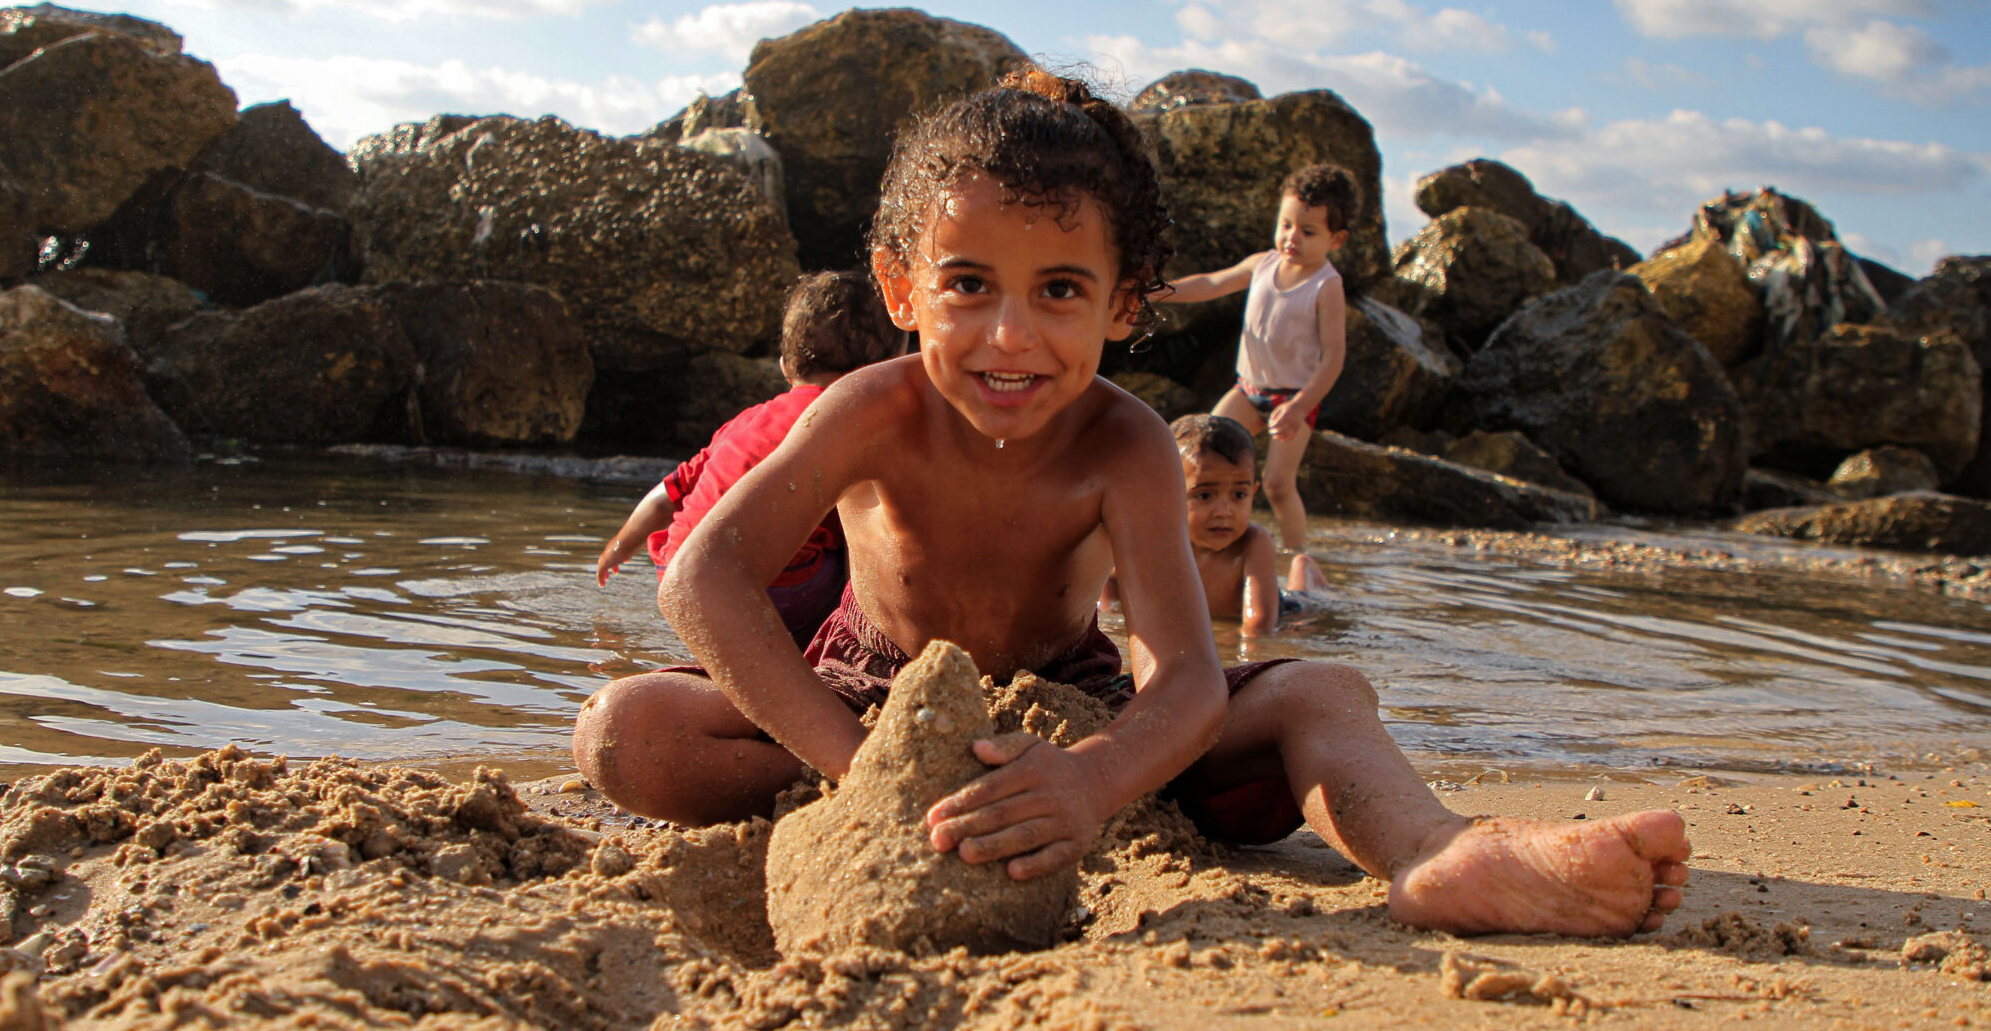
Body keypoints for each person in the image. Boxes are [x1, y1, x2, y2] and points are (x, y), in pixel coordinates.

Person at [573, 69, 1689, 938]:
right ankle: (854, 785)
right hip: (862, 697)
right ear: (901, 287)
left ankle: (1434, 849)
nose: (1009, 333)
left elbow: (1186, 674)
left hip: (1066, 708)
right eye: (967, 284)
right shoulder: (868, 410)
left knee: (1321, 689)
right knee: (624, 733)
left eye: (1059, 290)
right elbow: (701, 578)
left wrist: (1097, 778)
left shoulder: (1124, 444)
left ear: (1122, 305)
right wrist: (854, 760)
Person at [593, 270, 902, 646]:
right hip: (776, 591)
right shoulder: (853, 426)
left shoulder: (746, 421)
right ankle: (829, 648)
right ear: (882, 373)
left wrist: (619, 547)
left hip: (680, 577)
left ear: (785, 366)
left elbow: (664, 496)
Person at [1156, 163, 1357, 573]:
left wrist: (1300, 406)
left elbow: (1334, 357)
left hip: (1292, 398)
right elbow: (1212, 284)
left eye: (1307, 232)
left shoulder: (1326, 285)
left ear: (1336, 239)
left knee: (1279, 484)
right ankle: (1182, 540)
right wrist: (1162, 292)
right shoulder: (1263, 264)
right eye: (1285, 225)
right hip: (1248, 390)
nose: (1291, 238)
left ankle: (1298, 560)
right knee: (1198, 457)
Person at [1102, 414, 1328, 636]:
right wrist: (1109, 616)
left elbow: (1259, 624)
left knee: (1303, 604)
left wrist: (1218, 645)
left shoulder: (1253, 542)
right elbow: (1108, 582)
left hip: (1287, 611)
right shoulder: (1152, 540)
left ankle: (1304, 567)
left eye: (1239, 494)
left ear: (1253, 493)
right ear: (1163, 494)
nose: (1223, 512)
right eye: (1204, 496)